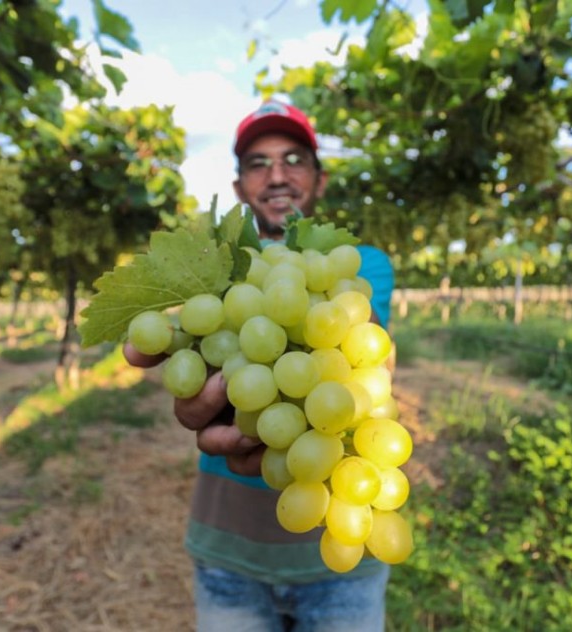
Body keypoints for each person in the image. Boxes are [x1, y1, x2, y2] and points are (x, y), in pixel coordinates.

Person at [124, 100, 396, 632]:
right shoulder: (216, 278)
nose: (276, 174)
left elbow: (365, 359)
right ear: (238, 186)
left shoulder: (359, 264)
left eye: (294, 158)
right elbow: (178, 357)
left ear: (319, 179)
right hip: (227, 550)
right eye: (258, 161)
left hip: (345, 567)